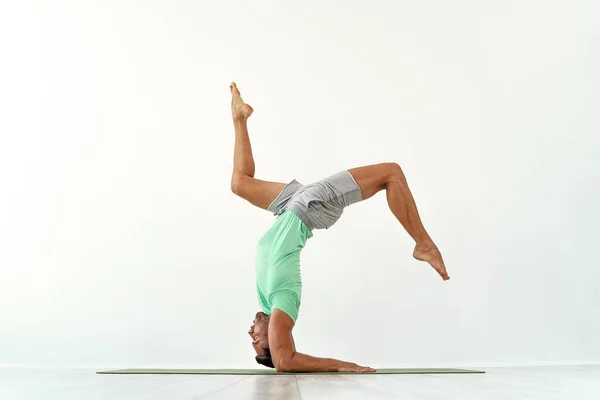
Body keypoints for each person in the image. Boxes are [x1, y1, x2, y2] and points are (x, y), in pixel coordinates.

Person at [229, 82, 449, 373]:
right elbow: (284, 361)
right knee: (391, 173)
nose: (251, 334)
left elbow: (280, 354)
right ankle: (423, 245)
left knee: (239, 184)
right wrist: (341, 365)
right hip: (309, 209)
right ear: (273, 338)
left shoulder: (266, 301)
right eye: (257, 342)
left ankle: (240, 119)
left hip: (288, 208)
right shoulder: (284, 304)